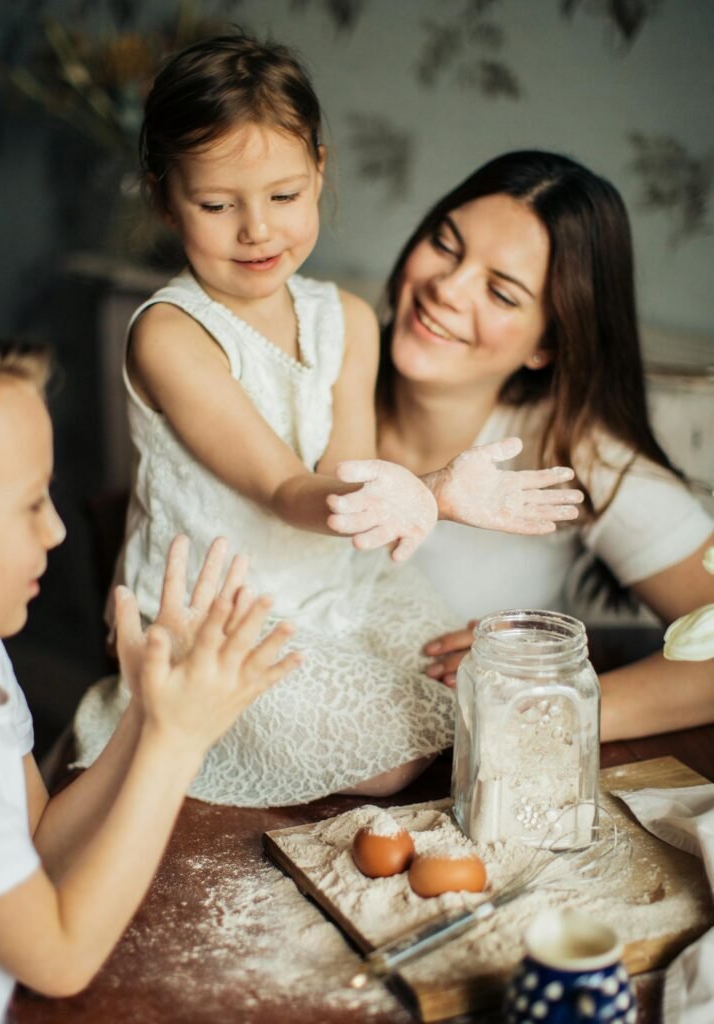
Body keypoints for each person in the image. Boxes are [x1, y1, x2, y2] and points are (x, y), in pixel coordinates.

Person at [71, 36, 582, 807]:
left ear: (319, 168)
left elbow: (347, 483)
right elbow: (283, 487)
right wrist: (433, 493)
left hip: (338, 582)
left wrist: (414, 493)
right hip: (218, 613)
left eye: (283, 195)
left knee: (469, 689)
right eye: (216, 205)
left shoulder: (346, 318)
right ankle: (149, 708)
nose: (257, 231)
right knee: (386, 755)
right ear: (164, 196)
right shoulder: (170, 333)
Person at [0, 315, 298, 1024]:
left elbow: (39, 846)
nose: (55, 529)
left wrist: (147, 710)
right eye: (28, 504)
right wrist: (178, 743)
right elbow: (60, 957)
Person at [374, 150, 714, 740]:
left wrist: (549, 700)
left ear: (547, 343)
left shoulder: (571, 453)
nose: (446, 289)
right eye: (445, 244)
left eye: (501, 294)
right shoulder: (318, 361)